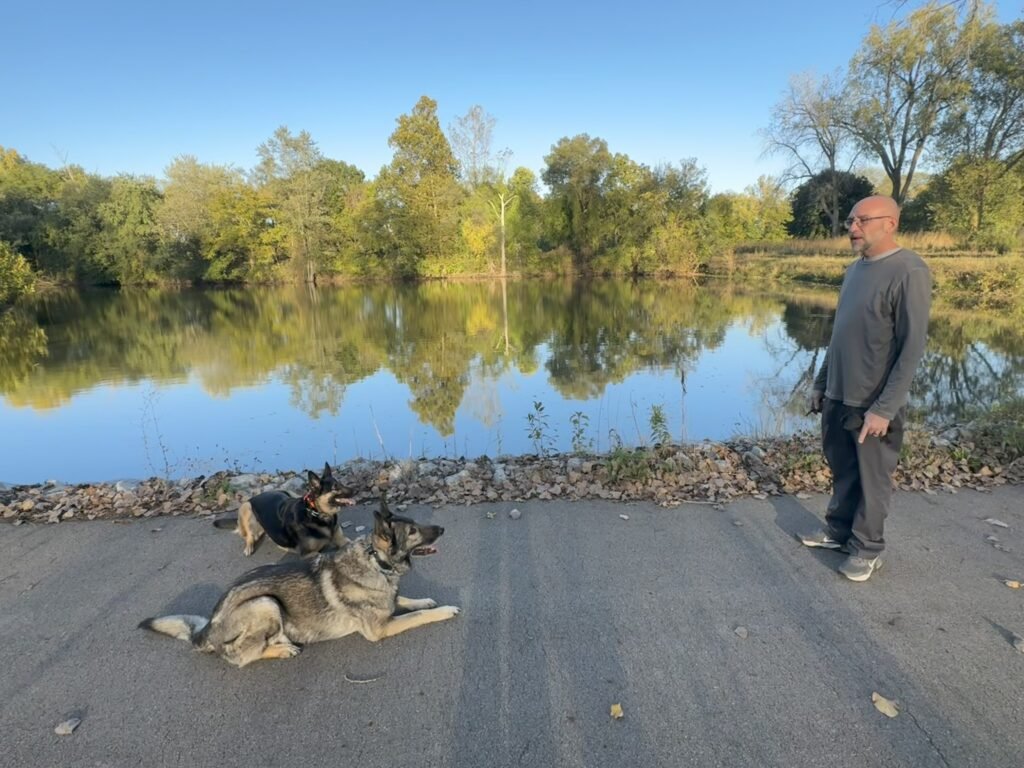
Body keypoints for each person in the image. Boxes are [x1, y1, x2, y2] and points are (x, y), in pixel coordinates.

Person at [800, 195, 932, 582]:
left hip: (872, 402)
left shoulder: (910, 271)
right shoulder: (854, 270)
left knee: (873, 479)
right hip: (839, 395)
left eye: (862, 221)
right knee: (842, 469)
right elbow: (839, 335)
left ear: (889, 223)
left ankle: (867, 548)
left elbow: (911, 349)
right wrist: (822, 383)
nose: (852, 228)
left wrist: (884, 408)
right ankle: (838, 531)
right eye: (850, 222)